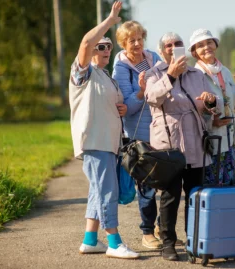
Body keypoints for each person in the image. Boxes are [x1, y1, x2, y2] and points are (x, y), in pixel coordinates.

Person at [68, 1, 139, 259]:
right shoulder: (82, 74)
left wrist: (122, 108)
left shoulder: (106, 76)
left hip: (109, 144)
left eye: (109, 46)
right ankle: (114, 242)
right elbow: (86, 44)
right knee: (107, 191)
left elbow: (114, 106)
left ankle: (90, 239)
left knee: (97, 191)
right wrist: (110, 21)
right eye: (101, 46)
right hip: (95, 142)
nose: (106, 48)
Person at [144, 32, 221, 261]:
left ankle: (193, 239)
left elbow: (212, 104)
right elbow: (151, 97)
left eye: (177, 44)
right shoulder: (153, 73)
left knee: (195, 194)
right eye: (168, 45)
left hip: (195, 141)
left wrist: (210, 102)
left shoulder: (196, 73)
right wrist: (170, 75)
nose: (173, 48)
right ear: (161, 51)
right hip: (168, 145)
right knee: (170, 196)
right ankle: (168, 243)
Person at [112, 20, 164, 250]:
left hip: (162, 130)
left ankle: (162, 227)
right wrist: (142, 92)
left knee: (167, 182)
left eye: (139, 38)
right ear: (123, 44)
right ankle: (147, 231)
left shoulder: (154, 58)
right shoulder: (121, 66)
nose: (136, 43)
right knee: (146, 186)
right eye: (131, 40)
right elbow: (127, 106)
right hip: (137, 133)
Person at [189, 28, 235, 184]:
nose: (206, 47)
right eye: (200, 45)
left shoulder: (225, 72)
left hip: (230, 142)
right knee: (212, 188)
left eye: (209, 42)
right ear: (195, 52)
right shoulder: (194, 75)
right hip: (210, 144)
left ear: (215, 45)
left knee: (229, 187)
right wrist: (211, 122)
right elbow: (192, 111)